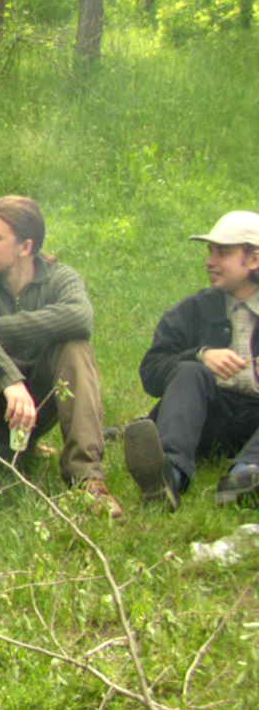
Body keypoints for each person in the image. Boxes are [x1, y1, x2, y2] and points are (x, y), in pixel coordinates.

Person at [0, 196, 122, 518]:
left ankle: (87, 478)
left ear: (25, 247)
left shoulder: (60, 278)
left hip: (36, 409)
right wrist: (9, 380)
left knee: (75, 347)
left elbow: (79, 318)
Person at [124, 210, 259, 510]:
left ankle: (245, 477)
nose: (210, 261)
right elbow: (151, 373)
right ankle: (168, 475)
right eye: (210, 251)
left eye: (223, 252)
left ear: (253, 259)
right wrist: (201, 355)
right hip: (207, 420)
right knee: (189, 371)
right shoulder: (192, 309)